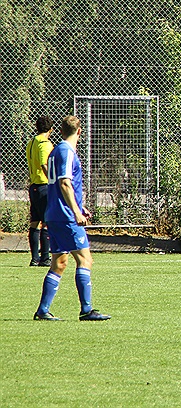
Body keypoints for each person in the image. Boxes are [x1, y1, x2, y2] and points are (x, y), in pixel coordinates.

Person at [33, 116, 111, 321]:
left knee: (59, 262)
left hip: (53, 214)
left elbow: (60, 184)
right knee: (85, 259)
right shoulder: (66, 151)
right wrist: (76, 211)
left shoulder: (55, 151)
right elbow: (65, 183)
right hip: (65, 216)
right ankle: (86, 310)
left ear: (60, 131)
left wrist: (78, 205)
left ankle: (43, 310)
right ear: (79, 132)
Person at [26, 116, 54, 267]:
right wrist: (53, 182)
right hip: (44, 186)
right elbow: (44, 164)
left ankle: (34, 258)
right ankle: (45, 257)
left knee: (35, 222)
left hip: (34, 186)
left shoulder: (31, 142)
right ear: (51, 129)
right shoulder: (45, 143)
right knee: (46, 222)